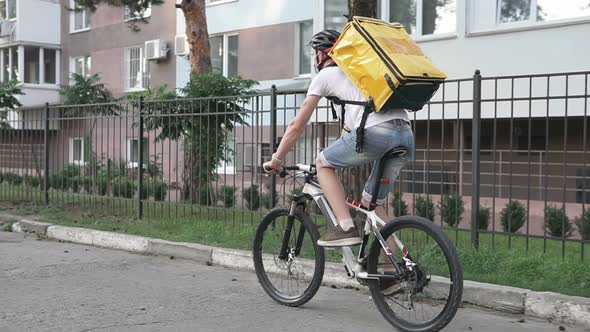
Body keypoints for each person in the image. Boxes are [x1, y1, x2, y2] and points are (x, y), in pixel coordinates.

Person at [263, 29, 414, 247]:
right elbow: (350, 131)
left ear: (322, 54)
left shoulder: (325, 76)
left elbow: (297, 125)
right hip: (405, 135)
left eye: (315, 53)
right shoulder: (361, 72)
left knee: (323, 163)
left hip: (376, 133)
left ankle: (345, 226)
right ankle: (391, 271)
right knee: (371, 204)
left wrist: (277, 159)